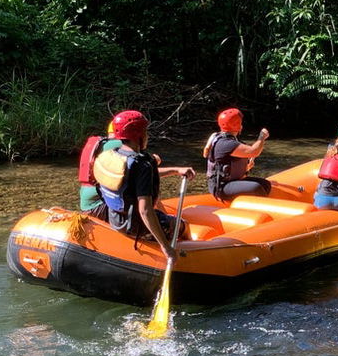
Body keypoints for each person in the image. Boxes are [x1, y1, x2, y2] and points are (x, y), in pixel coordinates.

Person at [88, 110, 194, 263]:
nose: (147, 135)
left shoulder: (114, 155)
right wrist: (166, 247)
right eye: (146, 131)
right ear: (139, 135)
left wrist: (175, 170)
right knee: (184, 225)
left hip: (116, 220)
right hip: (135, 226)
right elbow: (145, 210)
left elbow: (135, 179)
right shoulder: (143, 164)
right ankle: (189, 257)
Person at [79, 121, 191, 210]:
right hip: (100, 204)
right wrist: (173, 169)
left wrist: (173, 169)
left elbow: (139, 172)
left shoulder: (103, 144)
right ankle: (161, 223)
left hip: (88, 203)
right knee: (148, 188)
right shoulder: (121, 145)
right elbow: (145, 172)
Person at [203, 108, 271, 201]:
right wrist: (262, 137)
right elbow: (254, 151)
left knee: (265, 184)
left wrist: (246, 168)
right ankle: (264, 211)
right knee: (256, 187)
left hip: (230, 181)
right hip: (221, 187)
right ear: (238, 126)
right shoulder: (226, 143)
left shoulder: (231, 140)